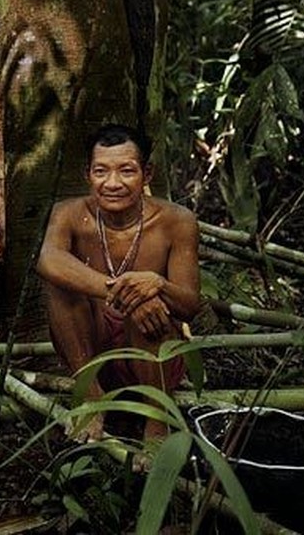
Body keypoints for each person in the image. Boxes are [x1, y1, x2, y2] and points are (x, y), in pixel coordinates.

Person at [37, 124, 201, 450]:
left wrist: (157, 285)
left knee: (148, 309)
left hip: (154, 356)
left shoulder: (177, 221)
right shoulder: (68, 213)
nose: (113, 183)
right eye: (101, 171)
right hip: (89, 354)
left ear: (146, 173)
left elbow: (189, 305)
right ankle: (90, 397)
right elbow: (48, 260)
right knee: (61, 287)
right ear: (88, 174)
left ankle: (157, 424)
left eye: (126, 171)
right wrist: (124, 292)